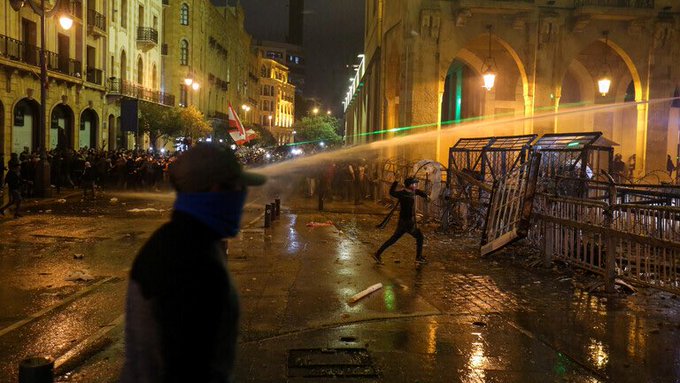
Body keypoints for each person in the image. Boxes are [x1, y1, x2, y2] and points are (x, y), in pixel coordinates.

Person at [120, 143, 266, 383]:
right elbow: (188, 368)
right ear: (217, 190)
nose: (243, 196)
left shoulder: (175, 240)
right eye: (239, 188)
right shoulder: (194, 262)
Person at [373, 177, 429, 265]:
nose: (416, 185)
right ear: (410, 185)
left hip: (403, 222)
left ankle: (377, 254)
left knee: (393, 239)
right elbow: (391, 192)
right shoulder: (402, 194)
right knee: (420, 237)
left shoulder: (413, 192)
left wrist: (426, 196)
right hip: (407, 222)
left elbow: (420, 192)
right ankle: (418, 258)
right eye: (414, 184)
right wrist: (396, 181)